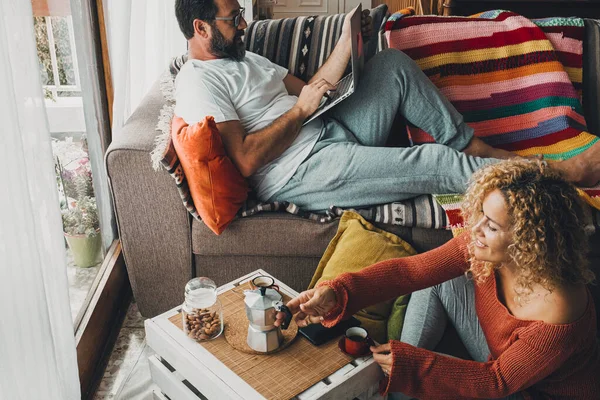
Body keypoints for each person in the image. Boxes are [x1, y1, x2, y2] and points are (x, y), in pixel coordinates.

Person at [174, 0, 600, 213]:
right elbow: (246, 160)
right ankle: (558, 173)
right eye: (234, 18)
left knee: (391, 64)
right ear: (200, 27)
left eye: (241, 13)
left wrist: (347, 43)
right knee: (432, 161)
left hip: (329, 127)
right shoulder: (199, 81)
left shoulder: (244, 58)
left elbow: (311, 88)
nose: (244, 23)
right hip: (298, 170)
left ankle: (473, 147)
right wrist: (300, 112)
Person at [275, 158, 599, 399]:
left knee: (417, 367)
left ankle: (396, 378)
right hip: (498, 358)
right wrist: (338, 291)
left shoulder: (560, 308)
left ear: (530, 241)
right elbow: (411, 271)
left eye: (492, 226)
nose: (476, 230)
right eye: (481, 216)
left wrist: (412, 365)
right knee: (441, 278)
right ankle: (393, 391)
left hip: (531, 391)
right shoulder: (482, 247)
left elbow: (495, 383)